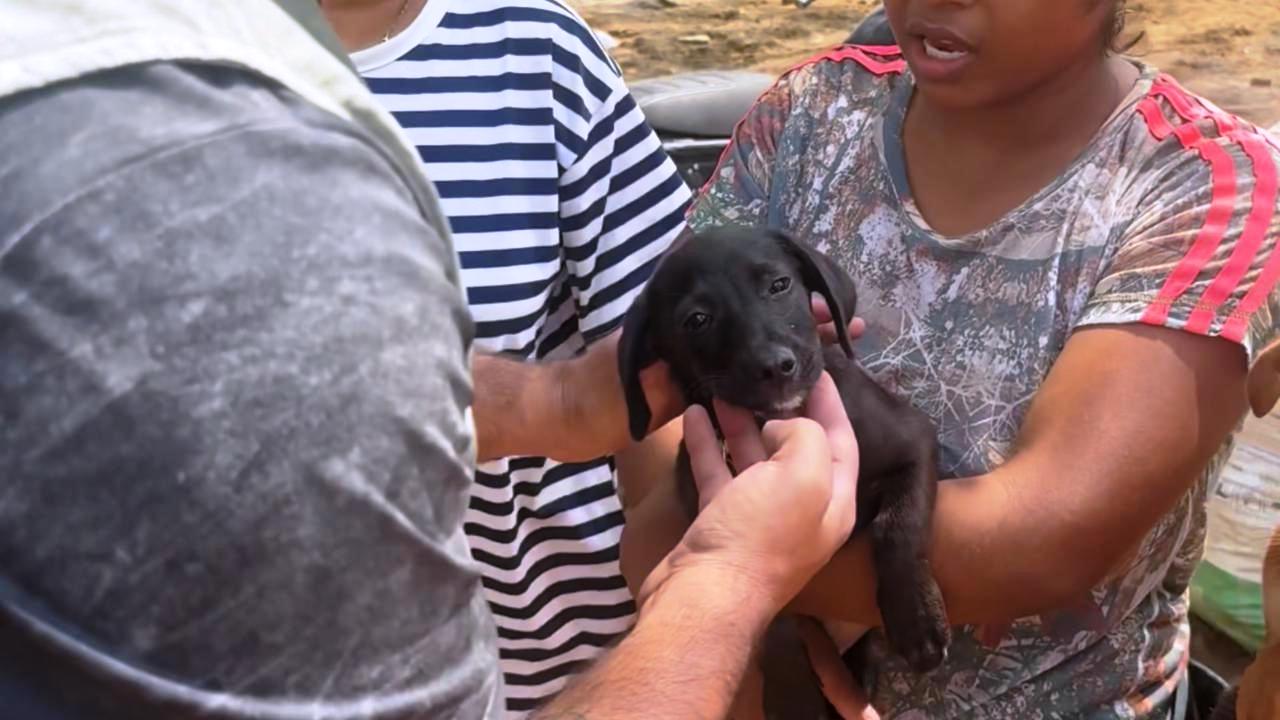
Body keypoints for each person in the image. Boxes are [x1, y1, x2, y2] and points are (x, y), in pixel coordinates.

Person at [0, 1, 859, 719]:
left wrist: (690, 612)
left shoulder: (537, 52)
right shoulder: (168, 104)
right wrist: (722, 589)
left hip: (602, 656)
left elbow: (665, 401)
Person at [619, 0, 1280, 718]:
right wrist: (759, 651)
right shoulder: (812, 111)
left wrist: (715, 572)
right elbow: (662, 402)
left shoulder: (1205, 184)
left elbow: (1037, 541)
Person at [312, 2, 692, 713]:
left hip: (563, 671)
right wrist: (544, 408)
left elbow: (668, 390)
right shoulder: (145, 57)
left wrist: (687, 629)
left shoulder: (538, 49)